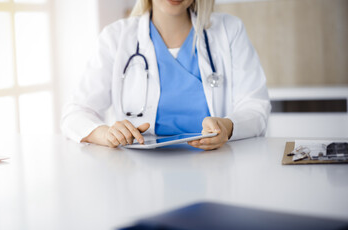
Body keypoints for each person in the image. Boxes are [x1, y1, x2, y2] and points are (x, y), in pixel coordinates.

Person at [61, 0, 271, 150]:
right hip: (138, 173)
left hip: (217, 164)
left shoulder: (228, 30)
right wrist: (105, 134)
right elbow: (75, 113)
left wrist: (228, 126)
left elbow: (255, 105)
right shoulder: (116, 37)